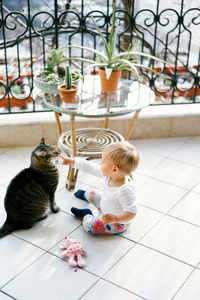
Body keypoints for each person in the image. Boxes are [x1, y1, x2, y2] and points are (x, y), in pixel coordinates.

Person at [60, 141, 140, 235]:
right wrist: (74, 161)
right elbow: (90, 167)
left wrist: (115, 218)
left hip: (115, 223)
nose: (100, 164)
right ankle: (86, 195)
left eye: (103, 162)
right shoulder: (110, 175)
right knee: (91, 193)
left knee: (89, 227)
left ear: (114, 169)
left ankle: (86, 213)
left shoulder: (125, 190)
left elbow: (131, 213)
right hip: (105, 205)